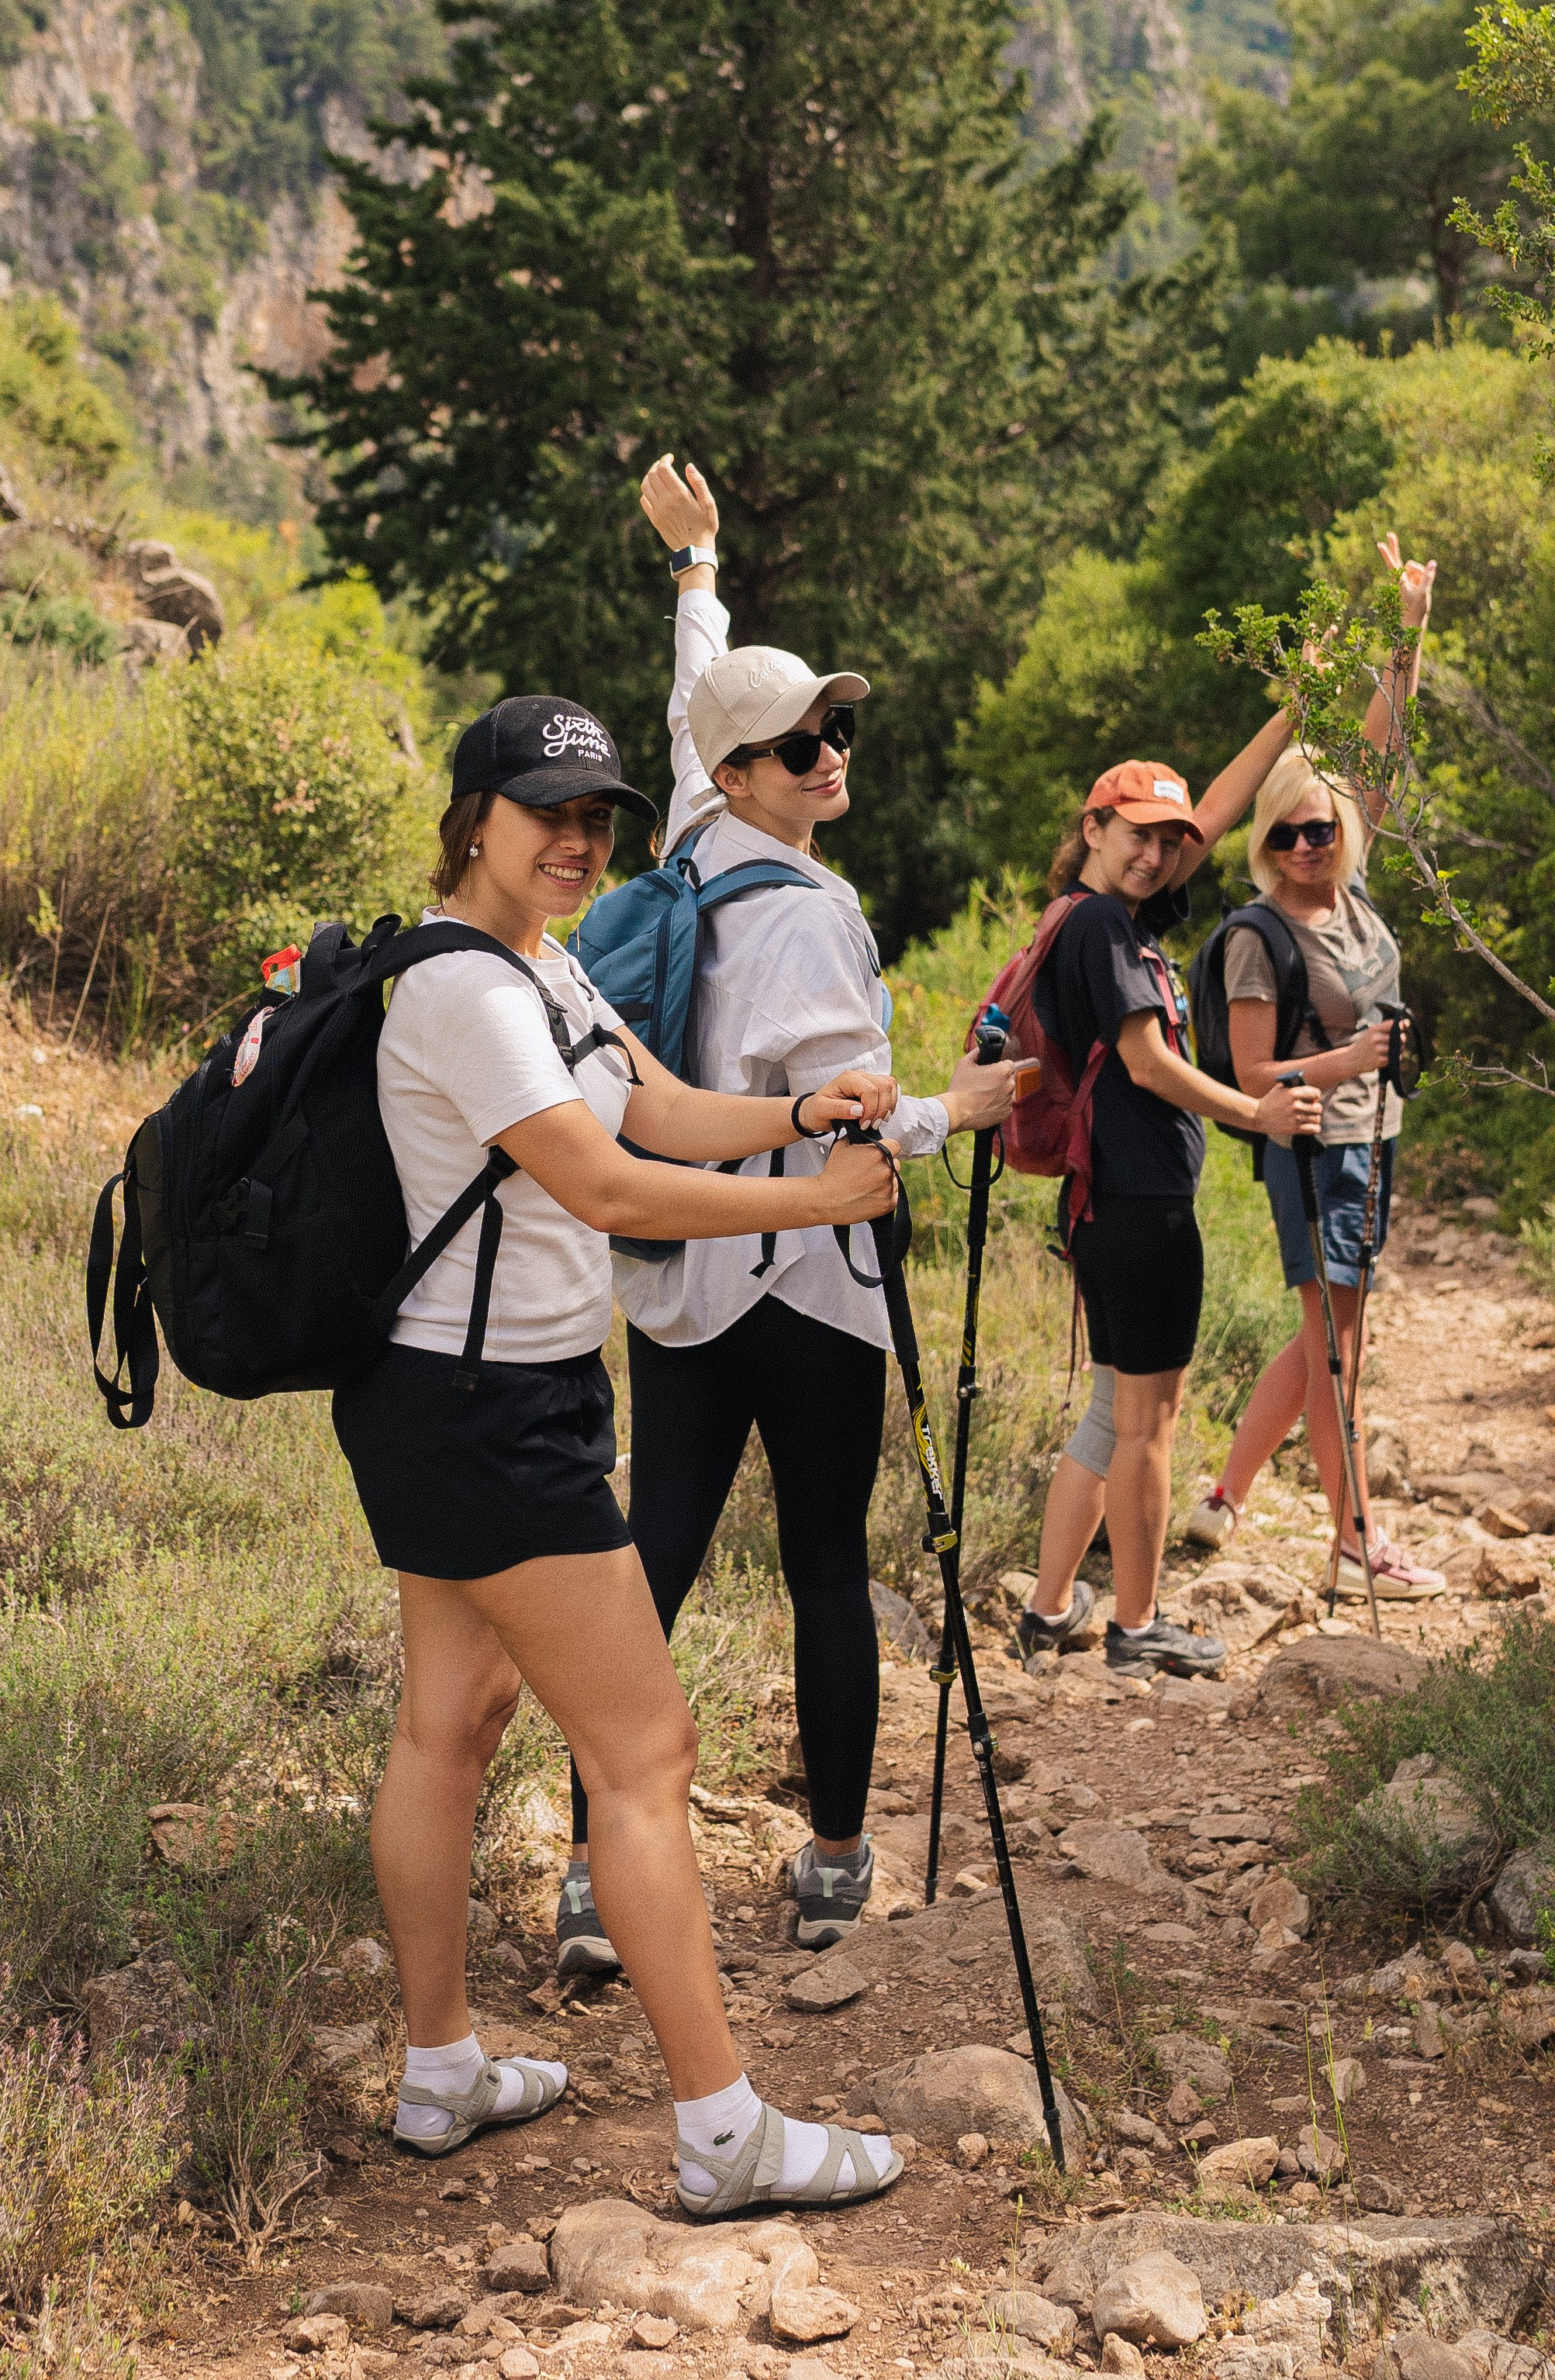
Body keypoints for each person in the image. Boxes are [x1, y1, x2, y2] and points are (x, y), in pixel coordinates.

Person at [342, 689, 905, 2212]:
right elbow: (607, 1187)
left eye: (596, 817)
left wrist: (799, 1107)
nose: (578, 840)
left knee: (449, 1726)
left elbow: (651, 1107)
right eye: (548, 812)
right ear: (476, 817)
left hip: (461, 1399)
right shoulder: (463, 987)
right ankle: (724, 2128)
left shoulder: (546, 965)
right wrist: (817, 1199)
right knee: (645, 1751)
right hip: (486, 1415)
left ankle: (441, 2067)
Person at [552, 460, 1018, 1980]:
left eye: (835, 728)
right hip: (808, 1288)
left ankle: (583, 1874)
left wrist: (698, 576)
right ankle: (829, 1864)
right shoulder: (814, 917)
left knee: (650, 1569)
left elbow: (700, 693)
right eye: (800, 742)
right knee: (827, 1563)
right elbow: (855, 1126)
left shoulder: (687, 837)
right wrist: (963, 1113)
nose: (827, 754)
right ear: (744, 771)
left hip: (679, 1279)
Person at [1014, 757, 1327, 1681]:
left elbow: (1211, 822)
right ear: (1093, 826)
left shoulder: (1083, 914)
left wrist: (1286, 714)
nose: (1154, 856)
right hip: (1141, 1206)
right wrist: (1254, 1112)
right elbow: (1147, 1061)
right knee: (1148, 1426)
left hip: (1101, 1202)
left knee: (1111, 1411)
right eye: (1136, 835)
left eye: (1166, 840)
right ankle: (1136, 1625)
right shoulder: (1107, 925)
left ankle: (1046, 1612)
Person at [1185, 538, 1446, 1600]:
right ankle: (1356, 1543)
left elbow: (1382, 746)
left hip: (1370, 1140)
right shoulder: (1257, 936)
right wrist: (1349, 1059)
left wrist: (1409, 628)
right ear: (1266, 841)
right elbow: (1256, 1076)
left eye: (1322, 828)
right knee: (1338, 1349)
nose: (1307, 845)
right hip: (1310, 1149)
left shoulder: (1356, 883)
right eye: (1288, 832)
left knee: (1335, 1334)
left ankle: (1224, 1499)